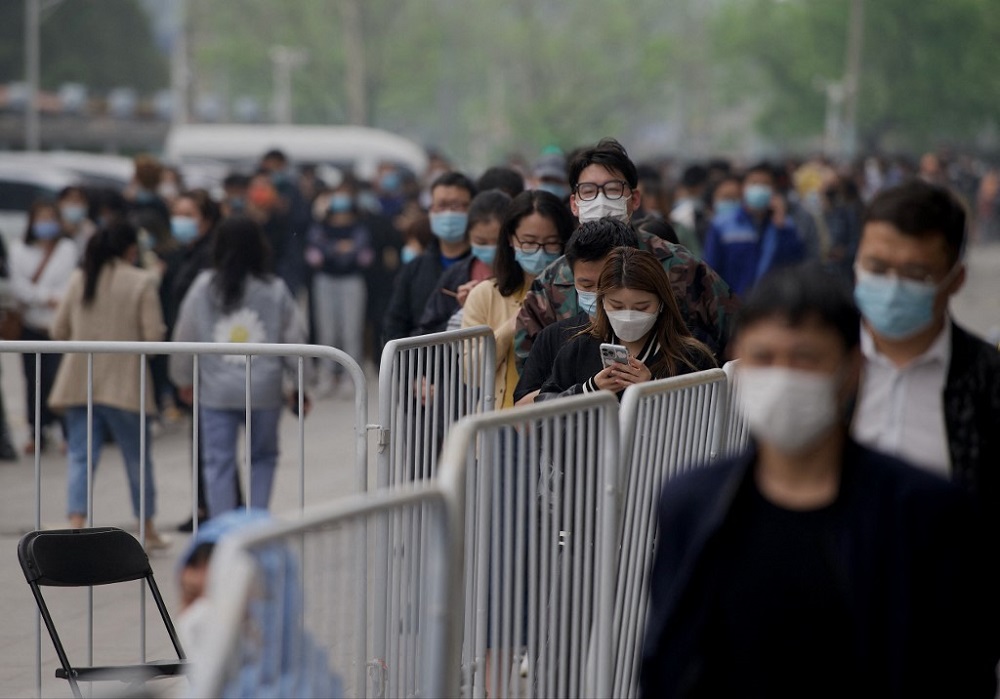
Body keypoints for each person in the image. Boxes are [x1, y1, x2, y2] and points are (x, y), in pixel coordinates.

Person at [641, 263, 999, 698]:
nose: (783, 376)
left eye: (805, 358)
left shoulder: (922, 511)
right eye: (764, 358)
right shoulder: (693, 504)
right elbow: (669, 661)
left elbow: (956, 667)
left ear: (852, 370)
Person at [851, 179, 1000, 533]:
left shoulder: (986, 382)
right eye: (876, 268)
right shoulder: (823, 368)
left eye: (915, 273)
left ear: (955, 279)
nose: (892, 286)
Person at [514, 138, 739, 372]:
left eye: (612, 190)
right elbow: (530, 367)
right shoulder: (552, 282)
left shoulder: (679, 266)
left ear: (634, 200)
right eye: (589, 191)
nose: (600, 201)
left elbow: (735, 332)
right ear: (574, 203)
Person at [170, 216, 309, 518]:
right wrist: (300, 385)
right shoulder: (274, 288)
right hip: (263, 390)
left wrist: (181, 379)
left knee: (217, 461)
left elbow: (184, 334)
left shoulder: (203, 287)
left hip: (215, 391)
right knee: (263, 457)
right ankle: (256, 522)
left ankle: (222, 530)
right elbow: (294, 339)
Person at [47, 222, 168, 548]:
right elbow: (154, 337)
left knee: (81, 457)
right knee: (136, 458)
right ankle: (147, 527)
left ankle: (76, 522)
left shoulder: (79, 278)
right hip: (125, 384)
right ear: (131, 249)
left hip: (79, 381)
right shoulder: (142, 281)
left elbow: (58, 330)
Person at [538, 247, 716, 400]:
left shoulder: (690, 358)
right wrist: (588, 390)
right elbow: (544, 412)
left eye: (642, 307)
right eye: (617, 306)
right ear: (602, 302)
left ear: (662, 303)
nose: (628, 316)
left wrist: (653, 390)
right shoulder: (579, 349)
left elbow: (706, 421)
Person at [461, 190, 574, 407]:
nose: (540, 252)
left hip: (558, 423)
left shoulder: (578, 295)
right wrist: (512, 325)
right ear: (512, 239)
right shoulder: (486, 295)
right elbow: (471, 373)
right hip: (501, 422)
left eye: (551, 243)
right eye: (529, 242)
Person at [513, 219, 639, 406]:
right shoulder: (554, 337)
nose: (598, 294)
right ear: (572, 279)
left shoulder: (666, 337)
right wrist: (585, 391)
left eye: (608, 282)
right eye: (586, 285)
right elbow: (521, 415)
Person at [9, 200, 77, 454]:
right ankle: (36, 432)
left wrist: (56, 299)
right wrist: (44, 297)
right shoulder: (19, 249)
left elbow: (72, 280)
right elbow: (19, 285)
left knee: (58, 377)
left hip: (58, 326)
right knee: (33, 380)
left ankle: (65, 431)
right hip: (31, 323)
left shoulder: (67, 248)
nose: (46, 224)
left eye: (51, 218)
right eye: (41, 218)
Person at [383, 172, 477, 343]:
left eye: (456, 206)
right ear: (431, 210)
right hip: (421, 366)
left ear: (472, 209)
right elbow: (395, 323)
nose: (448, 213)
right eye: (441, 205)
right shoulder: (415, 268)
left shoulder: (482, 266)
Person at [305, 179, 375, 396]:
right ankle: (327, 375)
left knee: (351, 330)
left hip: (351, 281)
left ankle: (349, 376)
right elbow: (316, 251)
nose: (341, 217)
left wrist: (337, 251)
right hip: (325, 281)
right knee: (327, 330)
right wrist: (339, 249)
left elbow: (361, 253)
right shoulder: (319, 228)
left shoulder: (359, 229)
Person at [416, 189, 512, 335]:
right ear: (468, 236)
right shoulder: (455, 275)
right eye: (481, 242)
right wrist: (465, 311)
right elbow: (427, 332)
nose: (491, 249)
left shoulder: (524, 276)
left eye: (498, 242)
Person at [702, 162, 805, 296]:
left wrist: (782, 227)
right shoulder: (723, 224)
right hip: (733, 306)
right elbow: (711, 270)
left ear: (774, 189)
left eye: (765, 184)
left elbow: (795, 263)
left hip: (771, 304)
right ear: (743, 188)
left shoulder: (785, 224)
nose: (759, 189)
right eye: (754, 183)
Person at [57, 186, 97, 260]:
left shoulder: (90, 232)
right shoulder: (51, 226)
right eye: (70, 200)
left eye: (78, 201)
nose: (74, 204)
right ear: (60, 202)